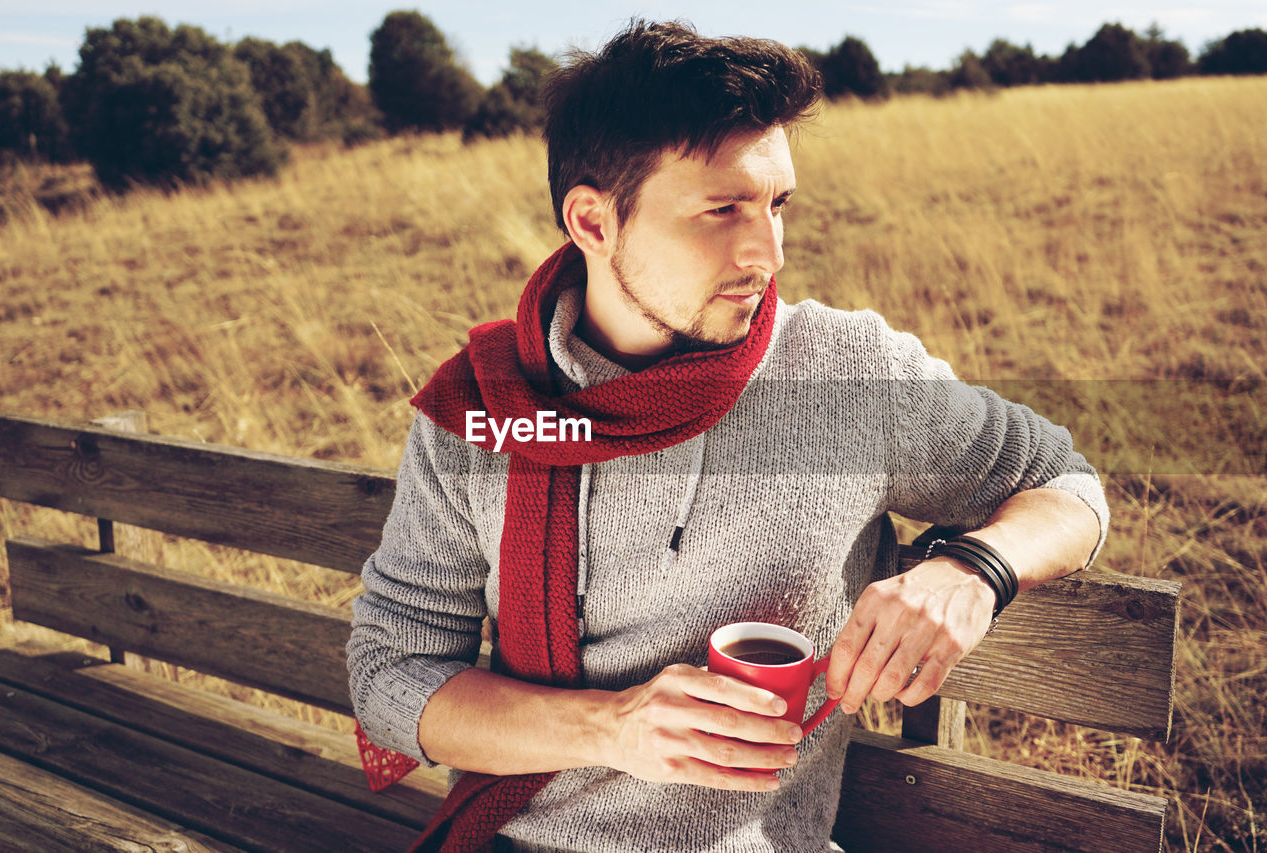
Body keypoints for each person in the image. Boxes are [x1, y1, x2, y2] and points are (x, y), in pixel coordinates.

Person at [347, 19, 1106, 853]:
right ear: (594, 224)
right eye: (722, 211)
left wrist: (977, 567)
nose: (767, 253)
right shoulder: (487, 410)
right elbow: (392, 675)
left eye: (777, 204)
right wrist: (613, 729)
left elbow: (1067, 485)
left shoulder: (846, 373)